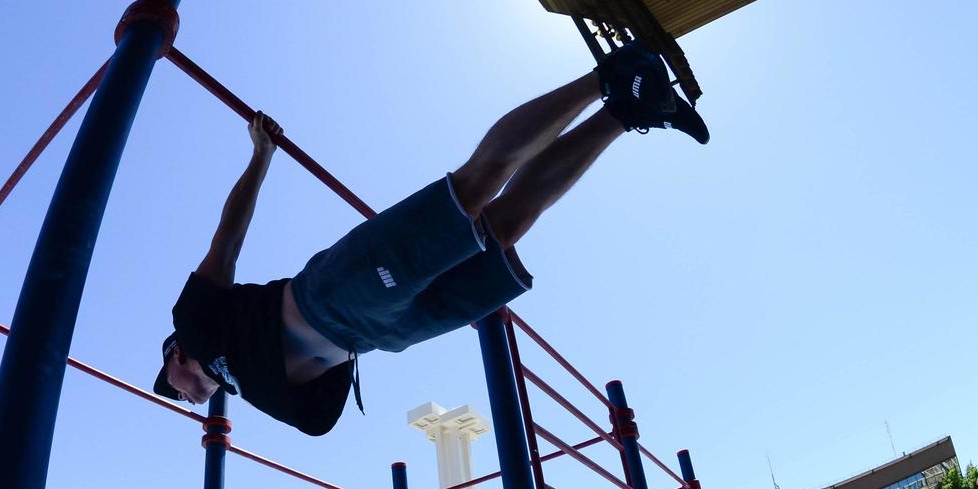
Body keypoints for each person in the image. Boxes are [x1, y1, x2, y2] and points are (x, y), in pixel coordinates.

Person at [152, 46, 709, 435]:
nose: (184, 397)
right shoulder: (246, 387)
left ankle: (608, 76)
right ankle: (624, 109)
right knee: (506, 228)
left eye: (172, 387)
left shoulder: (195, 323)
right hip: (382, 333)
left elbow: (226, 241)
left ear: (175, 354)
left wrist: (260, 156)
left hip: (332, 294)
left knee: (469, 192)